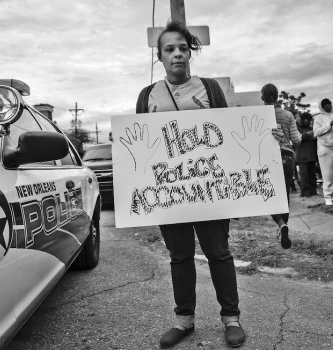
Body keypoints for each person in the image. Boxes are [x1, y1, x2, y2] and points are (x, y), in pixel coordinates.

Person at [135, 21, 245, 348]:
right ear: (161, 57)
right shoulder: (147, 96)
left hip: (209, 189)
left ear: (190, 52)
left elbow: (231, 136)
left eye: (183, 48)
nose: (178, 54)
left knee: (219, 253)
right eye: (170, 49)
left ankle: (231, 319)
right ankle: (184, 321)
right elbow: (141, 145)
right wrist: (124, 144)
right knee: (180, 256)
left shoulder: (209, 89)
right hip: (170, 194)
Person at [261, 83, 302, 249]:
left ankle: (280, 224)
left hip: (266, 158)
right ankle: (284, 224)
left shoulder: (259, 114)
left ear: (263, 97)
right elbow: (297, 139)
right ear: (277, 96)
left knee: (270, 193)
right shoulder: (287, 115)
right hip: (286, 156)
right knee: (284, 195)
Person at [295, 112, 318, 197]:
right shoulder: (297, 128)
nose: (308, 122)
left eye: (309, 120)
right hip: (302, 156)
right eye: (306, 120)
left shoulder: (311, 128)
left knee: (312, 174)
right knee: (304, 175)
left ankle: (313, 191)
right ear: (302, 120)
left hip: (311, 155)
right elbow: (297, 138)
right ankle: (305, 193)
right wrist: (308, 134)